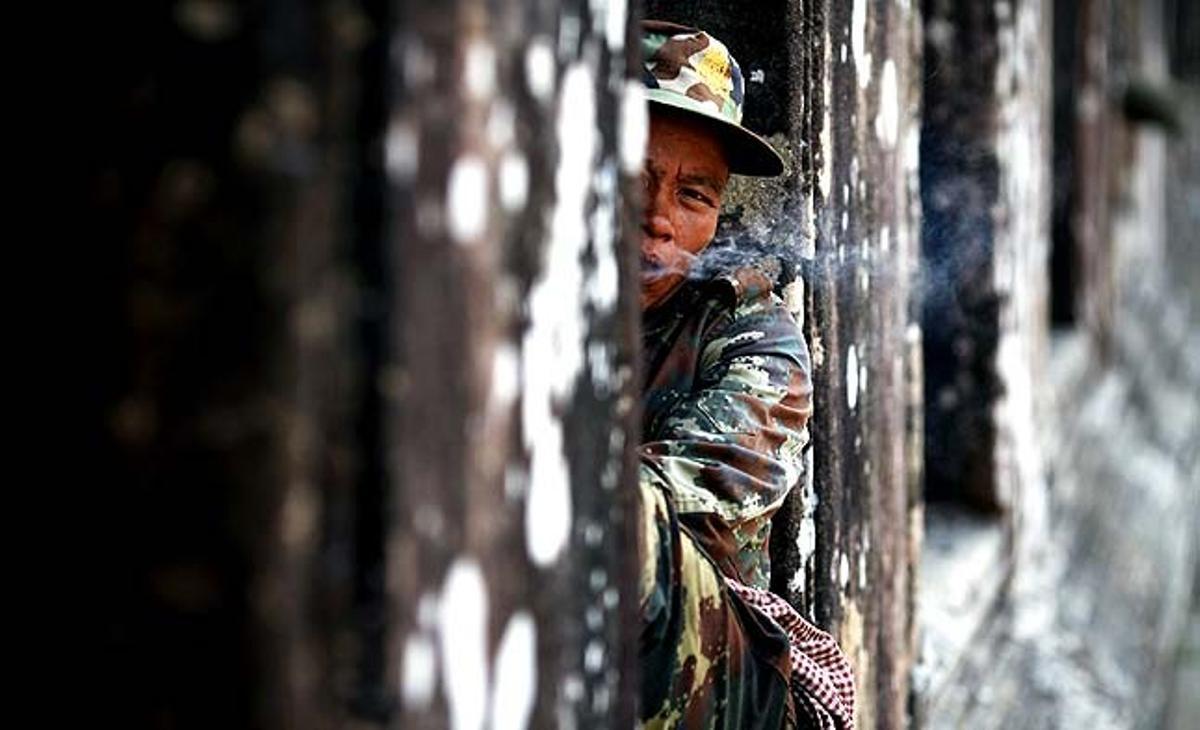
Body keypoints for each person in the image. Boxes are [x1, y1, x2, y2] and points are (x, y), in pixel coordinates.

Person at [635, 20, 856, 729]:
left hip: (707, 677)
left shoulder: (751, 336)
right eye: (629, 178)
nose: (657, 218)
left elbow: (701, 491)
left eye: (693, 196)